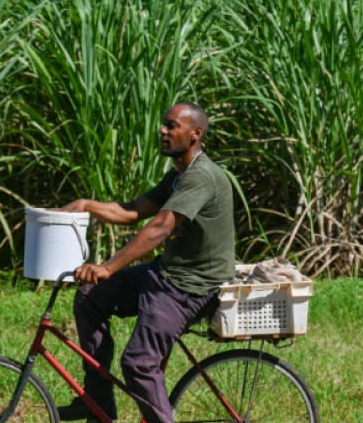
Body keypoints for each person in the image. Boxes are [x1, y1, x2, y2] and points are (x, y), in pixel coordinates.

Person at [55, 102, 236, 423]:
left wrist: (108, 267)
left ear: (195, 134)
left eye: (171, 126)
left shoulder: (203, 177)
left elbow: (160, 227)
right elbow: (133, 211)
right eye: (163, 125)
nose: (162, 132)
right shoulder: (179, 174)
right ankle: (98, 404)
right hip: (167, 274)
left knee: (139, 363)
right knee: (89, 297)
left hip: (191, 287)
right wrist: (86, 205)